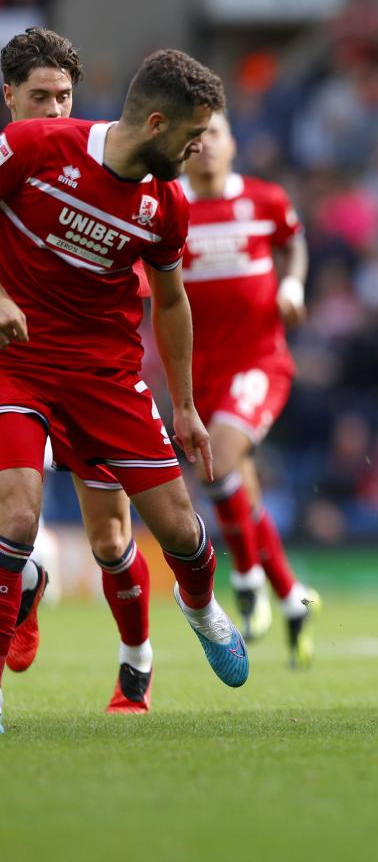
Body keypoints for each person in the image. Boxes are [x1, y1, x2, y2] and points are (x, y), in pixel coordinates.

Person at [0, 49, 251, 732]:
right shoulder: (32, 148)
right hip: (17, 364)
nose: (201, 150)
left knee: (174, 530)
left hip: (106, 377)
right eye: (194, 135)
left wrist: (189, 406)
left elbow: (171, 303)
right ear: (159, 122)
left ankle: (199, 608)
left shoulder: (165, 203)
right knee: (16, 518)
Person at [1, 26, 155, 714]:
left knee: (111, 537)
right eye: (41, 97)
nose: (56, 110)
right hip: (16, 367)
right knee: (16, 511)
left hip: (91, 370)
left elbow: (145, 281)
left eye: (65, 96)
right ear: (9, 98)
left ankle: (136, 660)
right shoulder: (11, 163)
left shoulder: (103, 169)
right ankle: (20, 574)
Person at [181, 110, 319, 666]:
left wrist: (292, 283)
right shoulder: (171, 204)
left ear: (233, 143)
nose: (206, 145)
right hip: (199, 370)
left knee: (216, 463)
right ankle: (293, 600)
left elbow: (295, 242)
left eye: (214, 133)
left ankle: (244, 580)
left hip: (260, 360)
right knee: (241, 492)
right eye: (196, 136)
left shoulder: (264, 200)